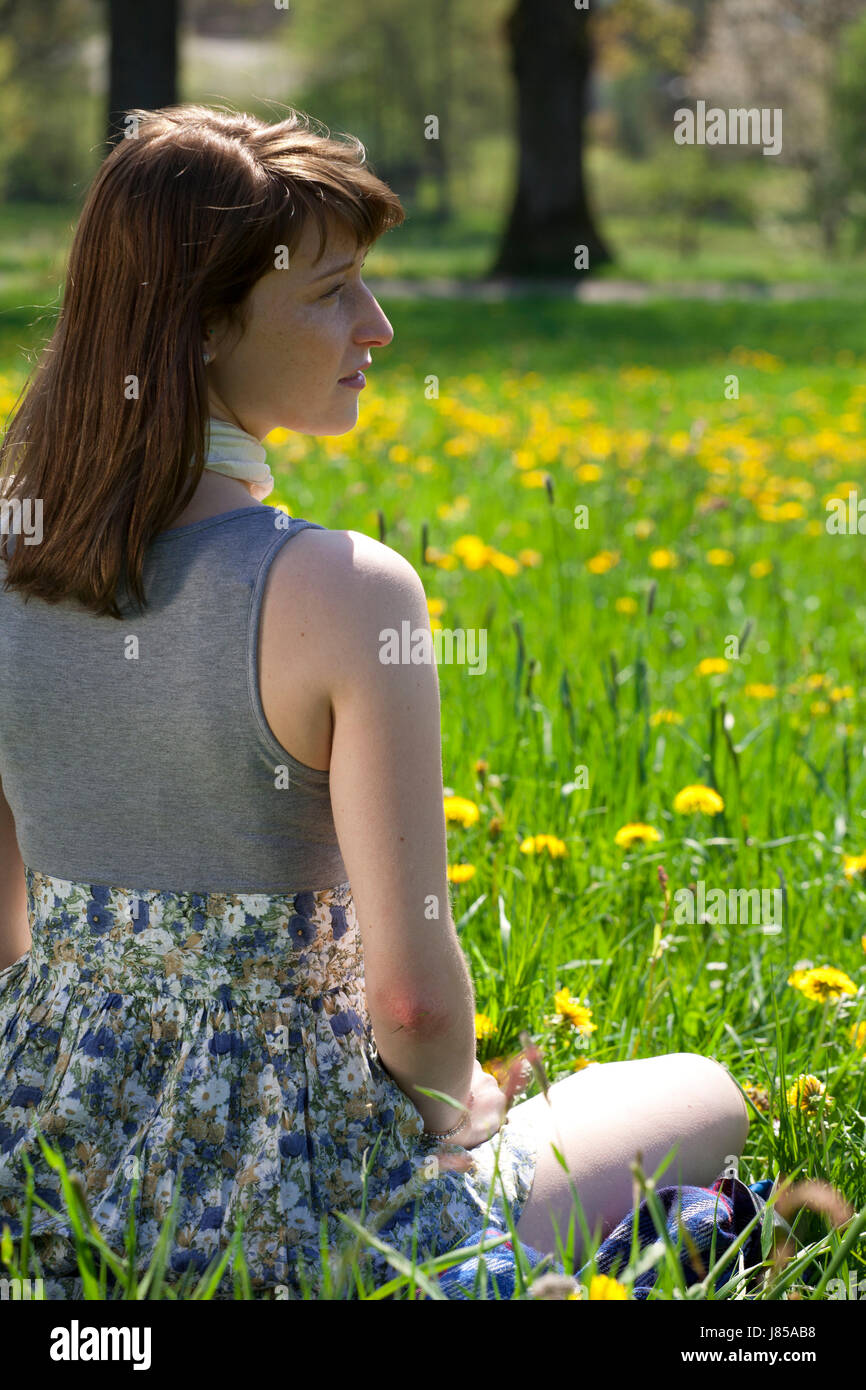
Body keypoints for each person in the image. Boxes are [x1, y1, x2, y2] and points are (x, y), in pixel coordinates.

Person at [0, 104, 748, 1300]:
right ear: (199, 327)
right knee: (701, 1094)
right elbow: (405, 1002)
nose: (379, 327)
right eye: (332, 291)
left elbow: (6, 940)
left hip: (47, 1178)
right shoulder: (343, 591)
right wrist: (465, 1111)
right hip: (305, 1209)